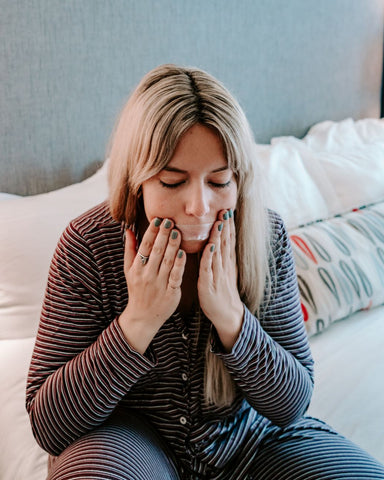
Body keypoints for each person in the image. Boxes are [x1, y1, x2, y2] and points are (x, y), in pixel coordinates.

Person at [26, 64, 384, 480]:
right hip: (130, 439)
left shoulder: (264, 238)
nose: (199, 206)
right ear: (137, 179)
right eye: (173, 182)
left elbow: (291, 404)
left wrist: (231, 317)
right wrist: (138, 321)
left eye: (219, 181)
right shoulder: (89, 246)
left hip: (252, 441)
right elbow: (50, 426)